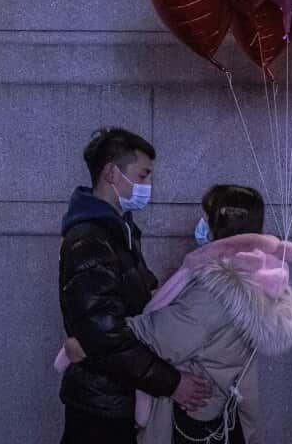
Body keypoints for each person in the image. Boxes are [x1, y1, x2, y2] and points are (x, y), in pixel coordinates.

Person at [64, 185, 292, 444]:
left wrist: (92, 343)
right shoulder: (259, 276)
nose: (200, 224)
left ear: (219, 226)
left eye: (205, 217)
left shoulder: (218, 288)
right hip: (218, 411)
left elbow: (161, 338)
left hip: (191, 420)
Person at [58, 128, 212, 444]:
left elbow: (144, 304)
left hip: (119, 399)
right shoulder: (90, 240)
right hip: (100, 407)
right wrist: (173, 383)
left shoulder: (121, 233)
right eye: (142, 175)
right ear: (112, 173)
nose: (147, 186)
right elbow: (105, 337)